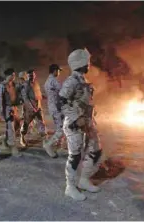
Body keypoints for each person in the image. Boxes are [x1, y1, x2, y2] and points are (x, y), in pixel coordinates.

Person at [58, 49, 103, 201]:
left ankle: (83, 179)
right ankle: (70, 187)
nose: (89, 65)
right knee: (75, 155)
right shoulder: (72, 81)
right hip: (74, 124)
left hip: (87, 122)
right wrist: (76, 118)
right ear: (81, 63)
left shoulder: (82, 80)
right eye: (87, 62)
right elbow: (61, 102)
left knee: (96, 150)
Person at [20, 69, 47, 147]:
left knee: (41, 122)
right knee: (26, 124)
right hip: (29, 109)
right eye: (30, 75)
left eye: (33, 75)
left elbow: (38, 93)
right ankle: (22, 137)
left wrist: (43, 97)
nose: (32, 76)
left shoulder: (36, 83)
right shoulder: (25, 85)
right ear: (27, 76)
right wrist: (32, 108)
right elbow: (26, 98)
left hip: (38, 107)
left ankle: (45, 140)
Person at [43, 64, 65, 158]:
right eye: (58, 71)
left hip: (54, 107)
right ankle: (49, 145)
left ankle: (59, 146)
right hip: (56, 108)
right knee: (61, 130)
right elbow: (63, 92)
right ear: (55, 71)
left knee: (61, 127)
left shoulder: (48, 81)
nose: (59, 73)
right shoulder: (53, 81)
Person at [0, 68, 21, 156]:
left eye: (14, 75)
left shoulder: (14, 84)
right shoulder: (2, 86)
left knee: (17, 125)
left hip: (14, 108)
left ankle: (4, 139)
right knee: (11, 128)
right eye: (13, 75)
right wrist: (1, 113)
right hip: (7, 109)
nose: (14, 76)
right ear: (8, 76)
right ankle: (13, 147)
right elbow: (0, 100)